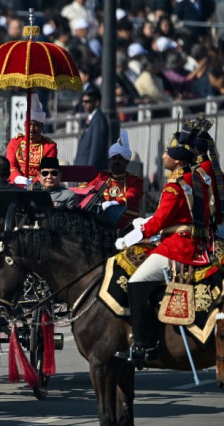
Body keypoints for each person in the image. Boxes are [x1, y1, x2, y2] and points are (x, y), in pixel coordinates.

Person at [114, 127, 212, 362]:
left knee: (136, 281)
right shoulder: (197, 178)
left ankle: (144, 345)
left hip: (179, 247)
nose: (163, 156)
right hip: (195, 242)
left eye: (167, 153)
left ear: (177, 159)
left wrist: (129, 237)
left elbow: (158, 222)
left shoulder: (174, 185)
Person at [85, 129, 143, 229]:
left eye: (120, 159)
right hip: (103, 222)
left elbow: (132, 195)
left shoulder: (135, 180)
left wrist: (115, 203)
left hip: (127, 224)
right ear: (109, 161)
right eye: (114, 158)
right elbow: (89, 188)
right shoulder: (103, 176)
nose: (116, 161)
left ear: (127, 162)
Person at [6, 97, 58, 185]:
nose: (31, 128)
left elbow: (47, 170)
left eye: (36, 125)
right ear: (24, 125)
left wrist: (33, 183)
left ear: (42, 127)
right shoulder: (15, 142)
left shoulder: (49, 146)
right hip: (17, 184)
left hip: (40, 186)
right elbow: (11, 164)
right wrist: (17, 178)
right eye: (29, 124)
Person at [74, 88, 109, 173]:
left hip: (88, 173)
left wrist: (89, 172)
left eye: (87, 101)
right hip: (82, 169)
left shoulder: (99, 120)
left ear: (96, 102)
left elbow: (95, 150)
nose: (84, 104)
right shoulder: (92, 118)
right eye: (83, 101)